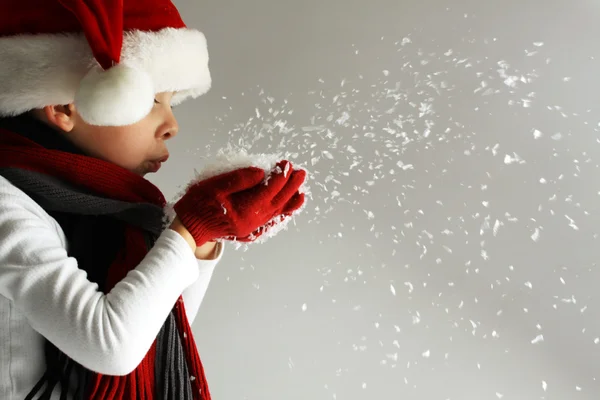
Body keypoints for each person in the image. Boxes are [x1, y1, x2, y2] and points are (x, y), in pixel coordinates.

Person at [0, 1, 306, 399]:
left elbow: (155, 330)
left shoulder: (119, 206)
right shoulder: (8, 203)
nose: (172, 126)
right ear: (63, 107)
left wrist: (206, 236)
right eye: (151, 101)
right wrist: (190, 228)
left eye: (172, 102)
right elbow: (111, 346)